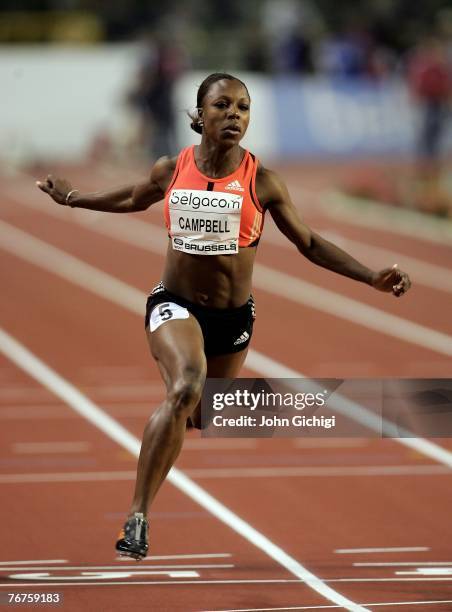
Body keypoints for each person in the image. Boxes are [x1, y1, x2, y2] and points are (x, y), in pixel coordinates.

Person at [37, 72, 411, 561]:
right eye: (222, 106)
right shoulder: (173, 168)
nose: (233, 115)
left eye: (243, 108)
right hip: (175, 304)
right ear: (201, 115)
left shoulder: (263, 181)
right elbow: (131, 198)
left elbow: (311, 243)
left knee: (203, 412)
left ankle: (323, 409)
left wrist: (369, 276)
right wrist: (72, 197)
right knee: (186, 386)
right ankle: (138, 515)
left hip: (233, 319)